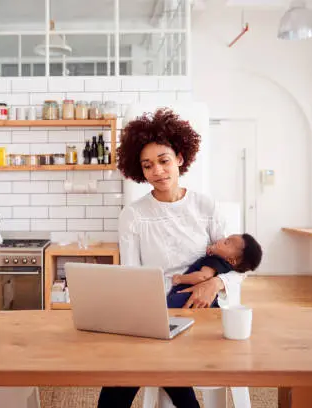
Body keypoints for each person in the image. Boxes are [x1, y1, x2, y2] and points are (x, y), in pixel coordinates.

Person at [97, 108, 246, 408]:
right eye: (148, 165)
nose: (158, 171)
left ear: (179, 158)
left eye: (164, 161)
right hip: (155, 314)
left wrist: (215, 283)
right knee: (145, 352)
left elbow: (240, 264)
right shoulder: (133, 215)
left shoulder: (206, 207)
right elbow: (131, 275)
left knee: (137, 359)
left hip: (204, 312)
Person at [167, 233, 262, 308]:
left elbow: (203, 276)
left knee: (167, 304)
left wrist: (180, 278)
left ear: (231, 260)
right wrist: (212, 250)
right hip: (204, 297)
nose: (221, 240)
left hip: (189, 295)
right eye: (225, 239)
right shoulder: (222, 263)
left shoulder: (216, 260)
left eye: (226, 243)